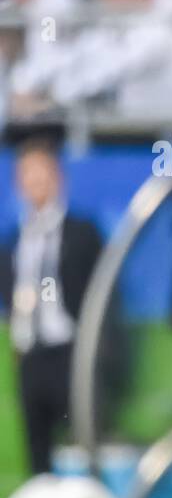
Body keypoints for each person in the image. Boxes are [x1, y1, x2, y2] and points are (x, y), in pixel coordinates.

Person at [1, 140, 102, 475]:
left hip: (72, 351)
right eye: (28, 176)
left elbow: (99, 296)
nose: (36, 183)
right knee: (37, 448)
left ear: (58, 177)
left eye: (41, 173)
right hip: (31, 353)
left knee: (84, 438)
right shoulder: (14, 241)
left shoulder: (83, 233)